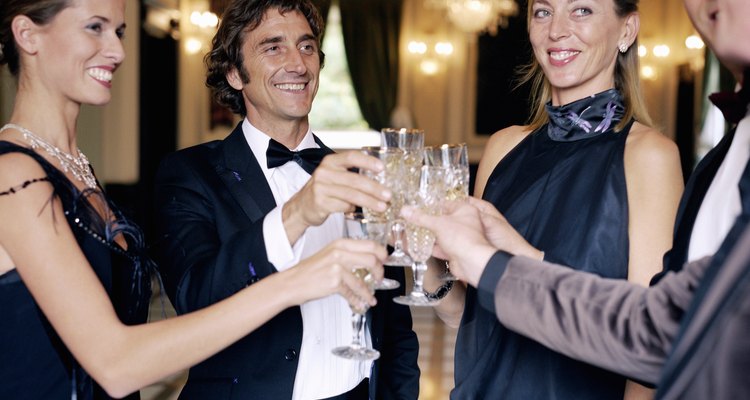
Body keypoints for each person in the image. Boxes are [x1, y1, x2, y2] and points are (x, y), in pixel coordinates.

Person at [0, 0, 386, 399]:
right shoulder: (13, 175)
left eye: (119, 32)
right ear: (28, 35)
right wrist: (293, 283)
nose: (117, 52)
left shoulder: (75, 168)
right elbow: (117, 363)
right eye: (95, 28)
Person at [402, 1, 750, 396]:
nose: (557, 30)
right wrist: (427, 256)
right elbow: (472, 319)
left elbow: (648, 347)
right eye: (543, 12)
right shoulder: (502, 148)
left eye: (582, 10)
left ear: (626, 30)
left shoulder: (648, 157)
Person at [153, 0, 419, 399]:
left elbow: (394, 326)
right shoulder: (190, 174)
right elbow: (195, 298)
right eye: (273, 47)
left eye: (307, 46)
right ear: (234, 73)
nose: (298, 63)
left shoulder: (360, 176)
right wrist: (297, 213)